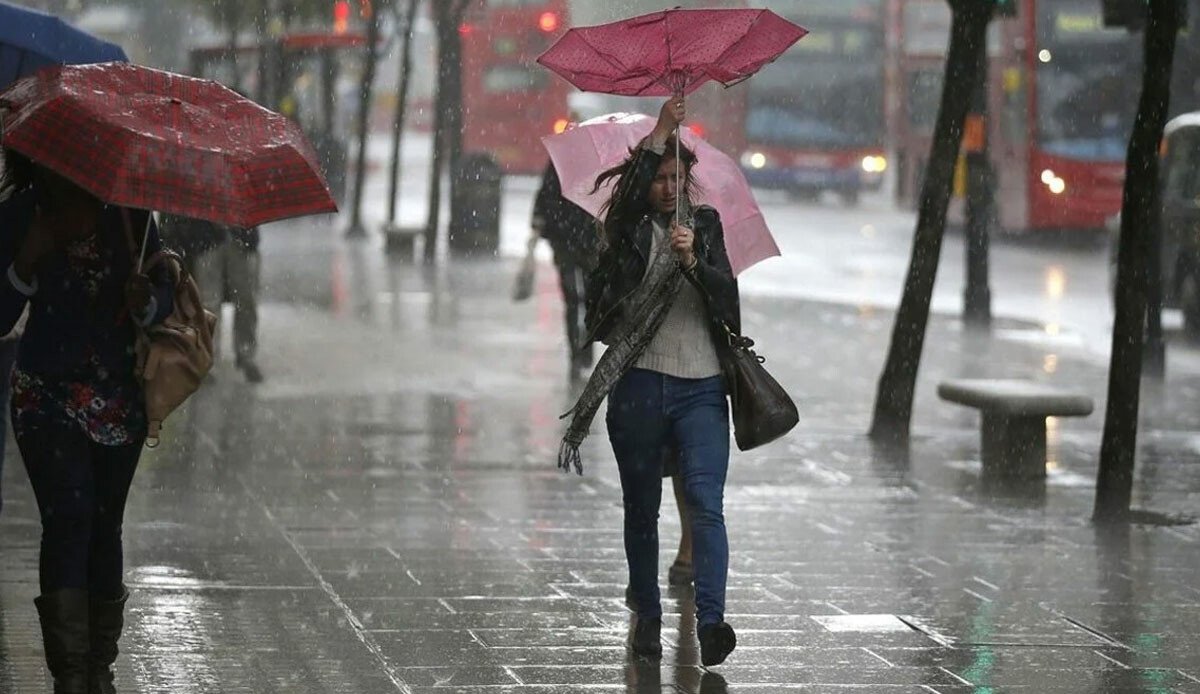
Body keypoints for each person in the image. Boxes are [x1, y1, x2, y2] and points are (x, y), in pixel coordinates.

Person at [558, 97, 740, 666]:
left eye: (676, 177)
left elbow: (731, 305)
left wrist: (695, 265)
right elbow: (613, 275)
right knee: (642, 508)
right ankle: (648, 618)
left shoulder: (705, 226)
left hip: (702, 388)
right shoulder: (628, 229)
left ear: (691, 181)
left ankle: (712, 621)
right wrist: (660, 132)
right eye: (658, 177)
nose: (667, 186)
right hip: (638, 386)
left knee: (706, 506)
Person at [0, 148, 174, 693]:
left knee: (104, 525)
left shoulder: (128, 212)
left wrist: (147, 301)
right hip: (45, 396)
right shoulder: (21, 213)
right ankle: (71, 675)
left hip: (117, 395)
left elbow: (165, 280)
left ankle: (99, 666)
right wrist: (27, 260)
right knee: (69, 516)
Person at [158, 215, 263, 383]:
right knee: (209, 303)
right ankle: (209, 359)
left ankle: (245, 354)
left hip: (240, 238)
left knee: (245, 299)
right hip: (207, 240)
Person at [531, 161, 599, 381]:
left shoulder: (595, 166)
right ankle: (576, 353)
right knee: (573, 298)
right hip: (568, 241)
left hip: (586, 242)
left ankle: (585, 345)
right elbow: (545, 196)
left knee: (588, 298)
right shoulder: (560, 164)